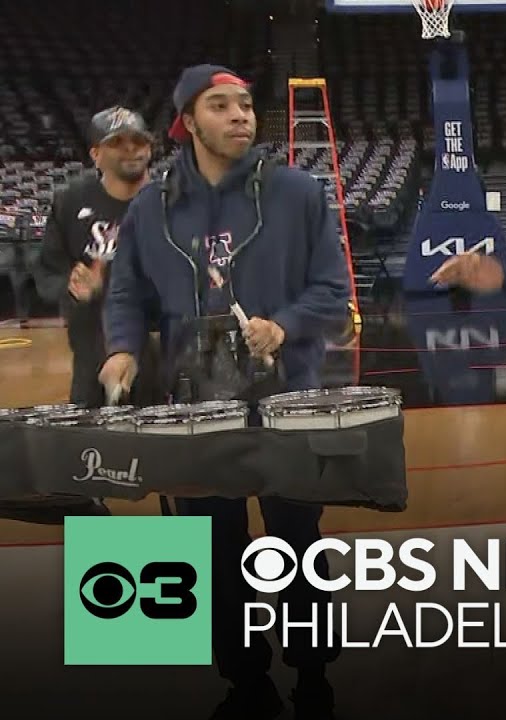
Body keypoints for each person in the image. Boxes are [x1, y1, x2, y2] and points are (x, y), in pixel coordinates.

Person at [99, 64, 351, 720]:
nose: (242, 114)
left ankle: (314, 670)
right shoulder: (151, 206)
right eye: (221, 105)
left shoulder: (297, 193)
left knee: (297, 535)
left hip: (286, 390)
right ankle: (244, 675)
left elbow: (332, 288)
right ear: (187, 122)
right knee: (216, 544)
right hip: (195, 400)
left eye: (245, 103)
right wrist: (124, 350)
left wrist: (285, 324)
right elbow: (127, 291)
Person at [33, 106, 162, 408]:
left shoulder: (168, 203)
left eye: (138, 141)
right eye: (117, 142)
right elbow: (48, 272)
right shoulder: (70, 201)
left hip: (158, 353)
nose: (130, 149)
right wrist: (74, 286)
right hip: (91, 349)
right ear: (95, 154)